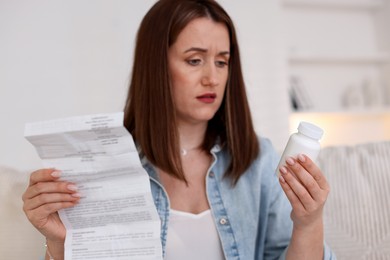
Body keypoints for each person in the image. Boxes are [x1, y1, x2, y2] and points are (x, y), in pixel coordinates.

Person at [22, 0, 336, 259]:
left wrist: (308, 223)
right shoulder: (103, 163)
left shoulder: (259, 159)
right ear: (156, 65)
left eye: (222, 62)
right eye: (195, 60)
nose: (212, 77)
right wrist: (60, 244)